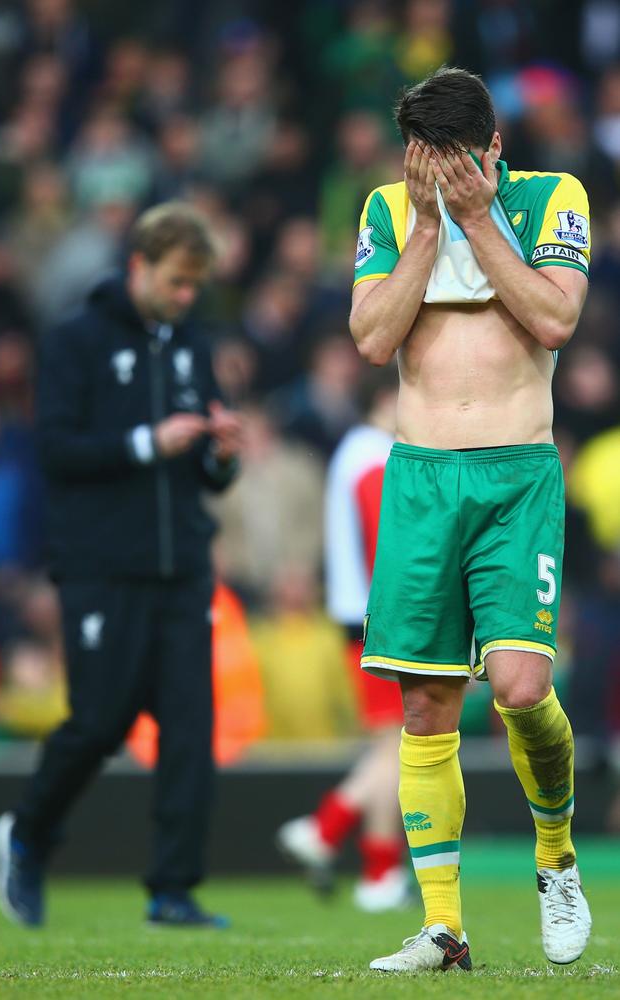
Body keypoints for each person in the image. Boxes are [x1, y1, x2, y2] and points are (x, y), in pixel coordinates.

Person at [349, 67, 592, 973]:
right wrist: (423, 226)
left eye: (455, 161)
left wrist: (479, 218)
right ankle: (444, 928)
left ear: (492, 147)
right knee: (423, 704)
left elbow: (556, 318)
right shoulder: (386, 210)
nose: (439, 178)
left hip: (515, 476)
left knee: (522, 689)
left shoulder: (547, 199)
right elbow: (373, 340)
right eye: (425, 162)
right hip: (419, 481)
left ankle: (557, 858)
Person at [0, 201, 242, 928]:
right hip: (103, 564)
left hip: (182, 565)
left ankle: (172, 889)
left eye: (196, 286)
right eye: (176, 282)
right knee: (100, 721)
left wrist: (219, 456)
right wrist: (144, 443)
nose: (186, 298)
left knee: (191, 730)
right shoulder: (76, 340)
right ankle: (30, 834)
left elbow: (202, 470)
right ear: (140, 265)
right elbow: (56, 450)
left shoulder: (193, 343)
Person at [276, 370, 413, 912]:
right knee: (399, 748)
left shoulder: (354, 452)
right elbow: (384, 540)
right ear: (387, 397)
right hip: (380, 618)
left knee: (392, 748)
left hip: (358, 616)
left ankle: (380, 875)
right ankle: (325, 828)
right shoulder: (374, 455)